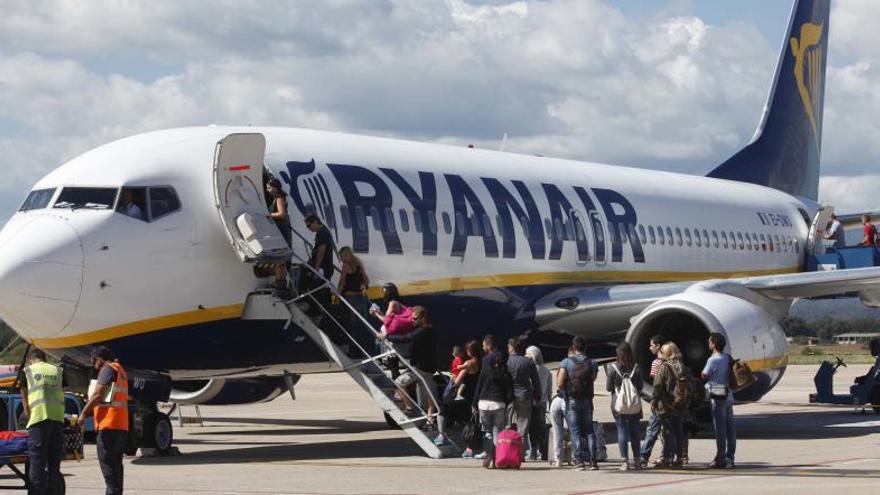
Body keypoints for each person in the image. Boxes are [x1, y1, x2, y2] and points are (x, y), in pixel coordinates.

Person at [79, 346, 129, 495]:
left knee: (109, 469)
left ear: (99, 360)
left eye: (94, 364)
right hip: (120, 426)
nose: (95, 367)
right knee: (116, 470)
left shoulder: (107, 369)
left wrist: (83, 413)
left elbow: (98, 395)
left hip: (109, 426)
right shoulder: (120, 370)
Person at [18, 348, 65, 495]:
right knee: (54, 467)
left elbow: (25, 400)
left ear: (31, 359)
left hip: (39, 420)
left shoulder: (27, 371)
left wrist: (28, 416)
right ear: (44, 358)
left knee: (37, 466)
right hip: (58, 420)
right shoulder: (57, 371)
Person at [385, 307, 438, 428]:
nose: (412, 320)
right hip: (430, 368)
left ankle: (409, 408)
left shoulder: (421, 332)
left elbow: (405, 339)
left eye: (415, 318)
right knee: (429, 396)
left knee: (399, 383)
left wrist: (387, 337)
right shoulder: (432, 331)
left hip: (420, 368)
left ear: (423, 318)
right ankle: (429, 421)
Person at [558, 336, 599, 471]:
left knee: (575, 431)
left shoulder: (566, 362)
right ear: (585, 347)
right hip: (587, 400)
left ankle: (579, 461)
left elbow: (559, 382)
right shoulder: (592, 362)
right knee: (589, 430)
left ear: (574, 347)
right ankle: (593, 461)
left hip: (572, 400)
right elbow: (592, 379)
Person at [472, 335, 511, 469]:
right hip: (499, 402)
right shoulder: (504, 360)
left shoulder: (485, 361)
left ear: (489, 346)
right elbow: (507, 382)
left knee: (487, 432)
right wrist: (509, 399)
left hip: (484, 401)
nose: (483, 348)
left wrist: (474, 401)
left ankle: (489, 456)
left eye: (484, 345)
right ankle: (497, 459)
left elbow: (481, 381)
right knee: (498, 432)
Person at [435, 340, 481, 450]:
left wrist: (454, 379)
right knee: (470, 423)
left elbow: (457, 381)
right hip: (475, 396)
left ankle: (441, 435)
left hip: (465, 397)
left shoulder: (469, 363)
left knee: (442, 410)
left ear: (470, 351)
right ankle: (470, 448)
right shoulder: (480, 361)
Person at [606, 342, 643, 471]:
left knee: (622, 431)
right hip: (633, 404)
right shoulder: (636, 368)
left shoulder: (613, 368)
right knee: (635, 432)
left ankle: (625, 462)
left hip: (618, 404)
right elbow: (640, 387)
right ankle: (637, 461)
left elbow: (608, 387)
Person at [702, 333, 736, 469]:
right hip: (728, 394)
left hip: (717, 394)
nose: (708, 343)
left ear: (714, 344)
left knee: (720, 429)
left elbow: (704, 374)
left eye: (710, 342)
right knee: (730, 428)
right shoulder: (728, 358)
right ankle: (730, 458)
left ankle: (720, 458)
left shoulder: (712, 360)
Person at [651, 342, 686, 468]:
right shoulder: (681, 365)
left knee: (667, 432)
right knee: (678, 431)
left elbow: (657, 386)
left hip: (667, 404)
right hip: (680, 403)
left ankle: (666, 458)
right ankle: (679, 458)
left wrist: (654, 401)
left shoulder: (664, 367)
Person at [506, 337, 541, 459]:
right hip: (525, 395)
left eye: (509, 347)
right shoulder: (528, 362)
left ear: (512, 348)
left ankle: (506, 451)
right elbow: (536, 381)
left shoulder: (507, 362)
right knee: (523, 426)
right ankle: (520, 455)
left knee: (507, 425)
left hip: (509, 396)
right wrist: (538, 396)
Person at [640, 334, 667, 467]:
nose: (650, 348)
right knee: (668, 430)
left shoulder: (657, 363)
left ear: (658, 346)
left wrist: (654, 401)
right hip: (672, 401)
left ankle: (643, 456)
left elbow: (656, 384)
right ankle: (668, 457)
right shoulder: (672, 361)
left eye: (652, 345)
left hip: (660, 401)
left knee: (652, 429)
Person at [337, 246, 371, 351]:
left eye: (342, 256)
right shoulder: (358, 264)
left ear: (347, 255)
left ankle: (354, 349)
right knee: (361, 323)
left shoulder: (346, 265)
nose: (342, 259)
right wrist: (359, 284)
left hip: (350, 297)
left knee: (352, 324)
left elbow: (342, 281)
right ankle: (364, 348)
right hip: (360, 297)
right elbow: (366, 280)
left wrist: (338, 293)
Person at [525, 345, 552, 462]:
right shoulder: (547, 370)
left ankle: (532, 452)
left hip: (531, 401)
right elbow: (549, 389)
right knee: (541, 428)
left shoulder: (529, 369)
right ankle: (544, 452)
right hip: (543, 402)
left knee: (530, 428)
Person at [549, 346, 574, 467]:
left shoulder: (563, 364)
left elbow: (558, 383)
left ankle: (558, 459)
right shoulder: (578, 364)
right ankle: (574, 457)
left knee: (557, 432)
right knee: (574, 430)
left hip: (557, 400)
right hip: (569, 400)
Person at [266, 178, 291, 290]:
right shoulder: (277, 198)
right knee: (280, 260)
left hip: (280, 232)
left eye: (269, 188)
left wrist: (268, 215)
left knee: (279, 260)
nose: (267, 190)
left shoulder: (279, 199)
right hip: (281, 231)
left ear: (275, 188)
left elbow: (282, 214)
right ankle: (282, 281)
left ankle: (280, 281)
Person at [305, 214, 335, 279]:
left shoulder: (322, 233)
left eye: (309, 226)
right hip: (324, 267)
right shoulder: (322, 231)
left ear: (315, 222)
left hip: (323, 267)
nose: (308, 229)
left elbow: (321, 251)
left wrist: (317, 268)